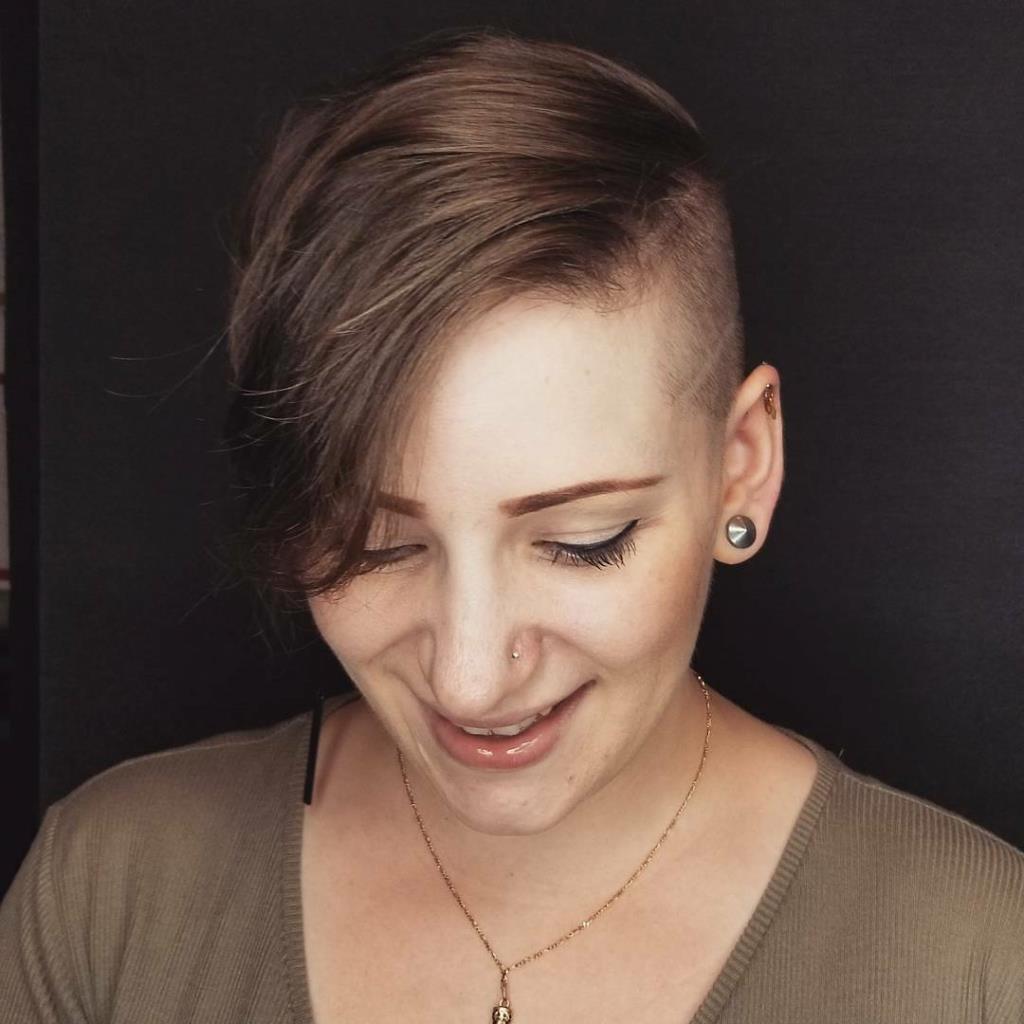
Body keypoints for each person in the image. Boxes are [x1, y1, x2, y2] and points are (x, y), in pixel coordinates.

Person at [2, 25, 1022, 1024]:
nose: (469, 680)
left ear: (741, 467)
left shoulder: (979, 964)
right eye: (375, 543)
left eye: (583, 540)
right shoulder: (108, 899)